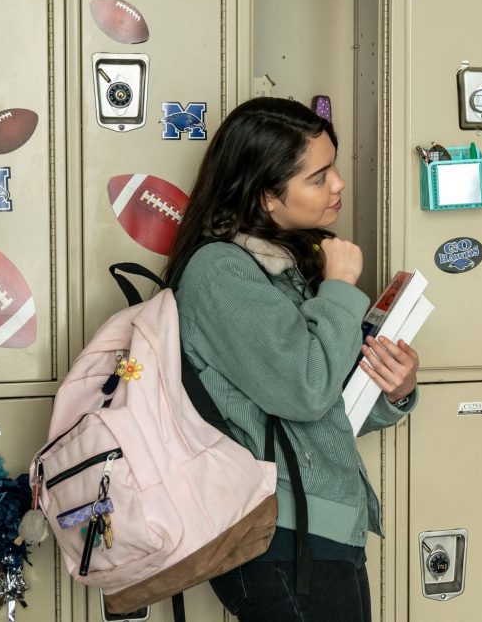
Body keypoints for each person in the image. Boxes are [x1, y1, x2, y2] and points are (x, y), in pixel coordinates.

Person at [165, 96, 420, 622]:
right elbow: (306, 389)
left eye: (334, 168)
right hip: (279, 537)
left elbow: (323, 409)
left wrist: (393, 389)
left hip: (318, 530)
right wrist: (341, 288)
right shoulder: (220, 274)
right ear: (266, 197)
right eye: (318, 176)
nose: (338, 185)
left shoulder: (284, 267)